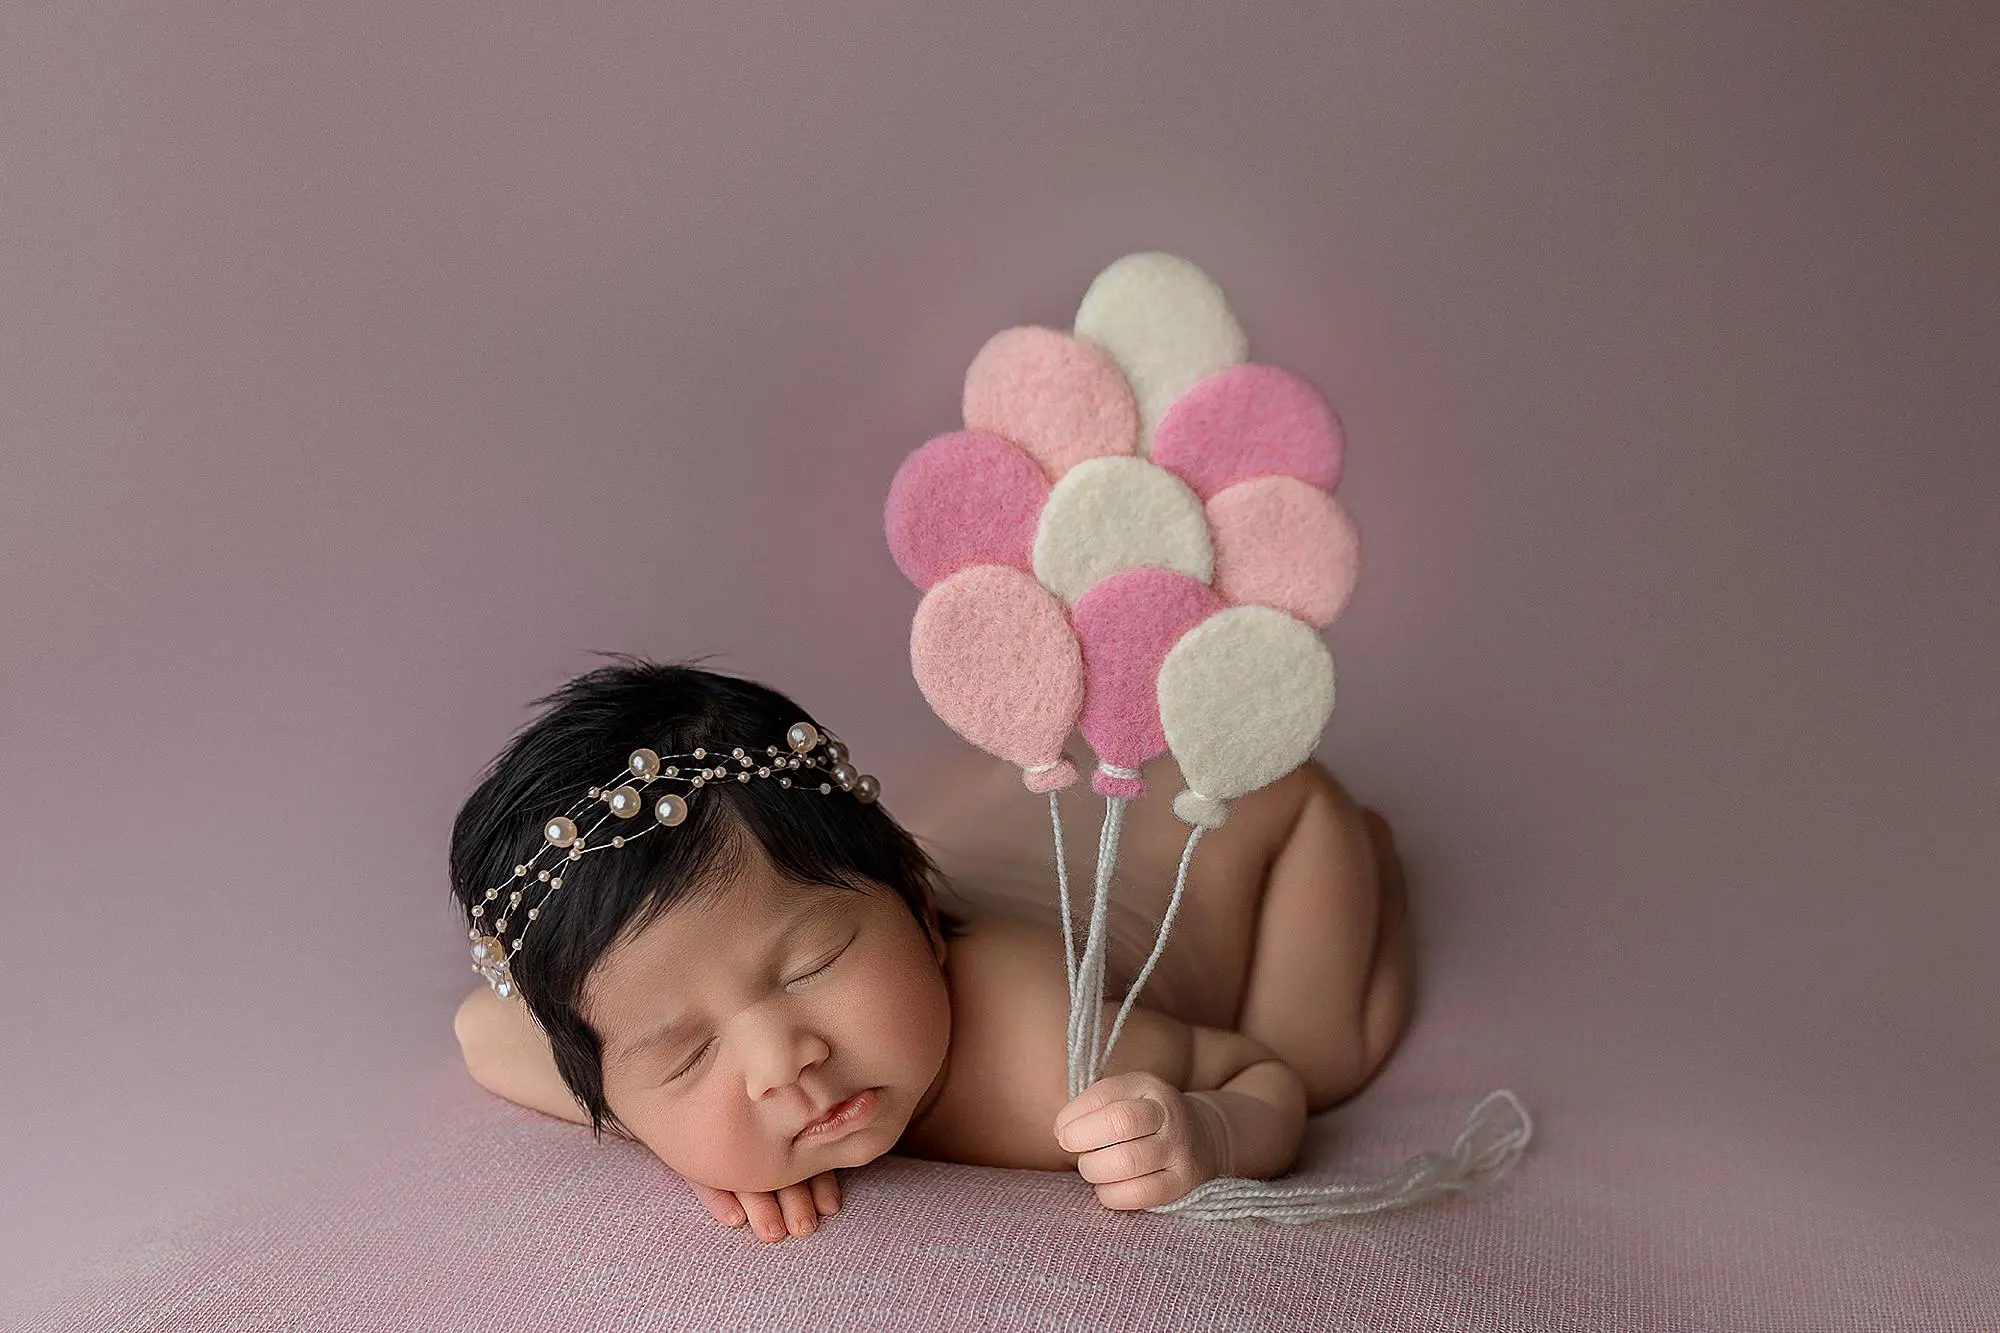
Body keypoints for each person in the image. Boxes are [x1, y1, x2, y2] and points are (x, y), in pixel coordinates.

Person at [450, 653, 1412, 1244]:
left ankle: (1365, 849)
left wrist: (1208, 1133)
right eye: (685, 1052)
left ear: (914, 902)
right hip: (1030, 796)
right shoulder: (662, 1039)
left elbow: (1264, 1076)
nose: (784, 1062)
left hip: (1249, 810)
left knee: (1324, 1056)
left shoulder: (1052, 1068)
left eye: (812, 966)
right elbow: (480, 1030)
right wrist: (691, 1138)